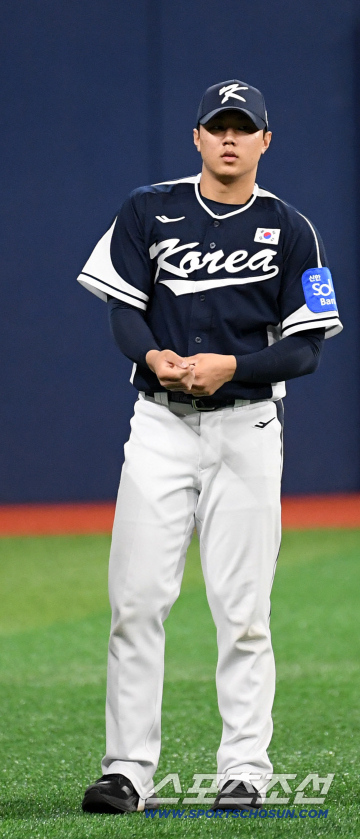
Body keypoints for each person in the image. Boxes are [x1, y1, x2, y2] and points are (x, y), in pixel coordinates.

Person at [77, 80, 341, 813]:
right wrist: (155, 358)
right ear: (196, 137)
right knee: (135, 601)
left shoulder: (292, 229)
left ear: (264, 141)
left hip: (248, 429)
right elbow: (124, 309)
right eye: (217, 127)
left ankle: (245, 767)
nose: (229, 139)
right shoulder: (146, 209)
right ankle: (127, 768)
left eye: (243, 128)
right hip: (159, 425)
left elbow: (307, 349)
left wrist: (234, 367)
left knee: (244, 608)